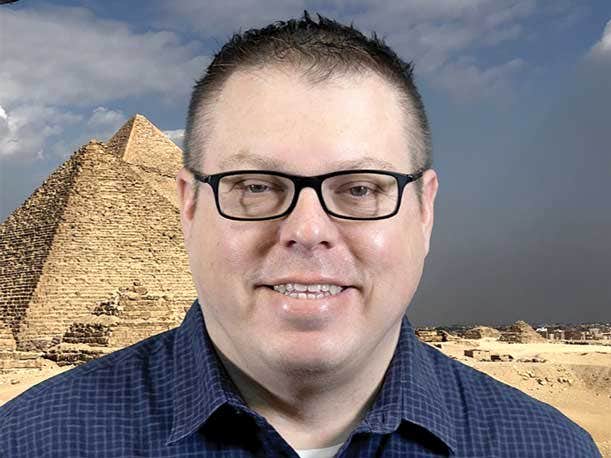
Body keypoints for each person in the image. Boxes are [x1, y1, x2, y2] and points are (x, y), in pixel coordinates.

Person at [0, 11, 601, 458]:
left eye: (360, 188)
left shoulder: (547, 448)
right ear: (187, 208)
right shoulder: (30, 441)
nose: (307, 231)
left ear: (425, 211)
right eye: (255, 186)